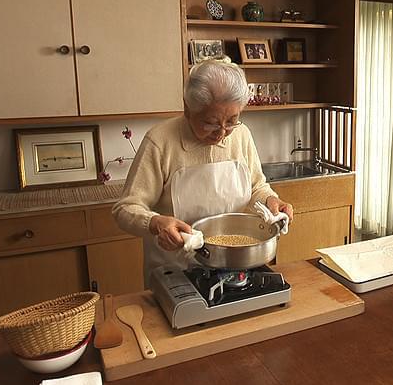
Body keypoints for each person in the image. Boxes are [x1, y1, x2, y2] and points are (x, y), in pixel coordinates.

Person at [112, 60, 294, 285]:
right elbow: (125, 208)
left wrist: (271, 200)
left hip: (235, 267)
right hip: (176, 271)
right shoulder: (160, 141)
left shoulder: (241, 135)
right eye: (211, 123)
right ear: (188, 109)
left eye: (232, 121)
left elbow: (257, 186)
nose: (222, 132)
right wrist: (156, 223)